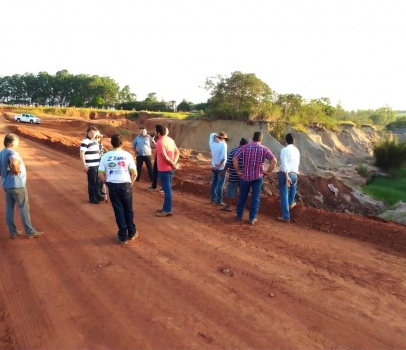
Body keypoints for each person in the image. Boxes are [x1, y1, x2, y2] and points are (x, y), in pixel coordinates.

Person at [0, 133, 44, 239]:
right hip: (17, 184)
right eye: (17, 143)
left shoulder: (2, 152)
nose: (17, 145)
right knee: (24, 207)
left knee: (9, 208)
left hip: (6, 185)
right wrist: (16, 171)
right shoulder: (12, 152)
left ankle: (13, 232)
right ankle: (30, 231)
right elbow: (14, 161)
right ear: (12, 143)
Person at [98, 134, 138, 244]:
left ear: (111, 143)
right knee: (128, 210)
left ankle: (123, 236)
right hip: (126, 185)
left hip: (113, 185)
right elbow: (134, 173)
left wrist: (106, 183)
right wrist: (131, 184)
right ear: (122, 143)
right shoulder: (127, 155)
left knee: (119, 211)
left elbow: (100, 174)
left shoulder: (105, 156)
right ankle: (132, 232)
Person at [233, 131, 277, 225]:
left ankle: (239, 215)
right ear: (261, 139)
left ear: (253, 138)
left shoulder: (245, 147)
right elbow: (274, 161)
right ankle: (252, 218)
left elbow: (235, 158)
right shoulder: (264, 149)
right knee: (255, 198)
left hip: (245, 176)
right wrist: (268, 172)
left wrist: (238, 171)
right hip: (258, 177)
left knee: (242, 195)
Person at [155, 125, 180, 217]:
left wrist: (173, 164)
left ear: (158, 133)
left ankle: (167, 210)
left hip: (163, 169)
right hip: (170, 169)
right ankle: (165, 207)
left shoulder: (160, 142)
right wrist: (174, 163)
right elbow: (177, 152)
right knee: (167, 188)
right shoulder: (170, 140)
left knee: (167, 189)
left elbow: (164, 157)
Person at [219, 137, 248, 212]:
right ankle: (240, 208)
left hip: (234, 175)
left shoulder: (234, 151)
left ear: (239, 143)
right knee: (243, 192)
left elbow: (228, 163)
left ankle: (228, 206)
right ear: (246, 144)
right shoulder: (247, 152)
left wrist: (223, 172)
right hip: (244, 176)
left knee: (230, 190)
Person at [277, 133, 300, 222]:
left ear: (286, 141)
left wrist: (287, 177)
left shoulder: (284, 150)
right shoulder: (297, 150)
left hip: (285, 175)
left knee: (284, 195)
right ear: (294, 141)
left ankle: (286, 216)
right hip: (294, 175)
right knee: (293, 187)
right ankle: (290, 203)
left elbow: (284, 164)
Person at [80, 125, 104, 204]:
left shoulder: (94, 141)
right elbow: (82, 153)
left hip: (97, 164)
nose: (93, 135)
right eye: (91, 133)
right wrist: (84, 165)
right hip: (91, 165)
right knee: (92, 182)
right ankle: (92, 198)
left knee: (98, 181)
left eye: (94, 133)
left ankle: (97, 194)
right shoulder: (85, 142)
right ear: (88, 132)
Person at [209, 131, 228, 205]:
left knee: (214, 183)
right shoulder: (224, 144)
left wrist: (215, 136)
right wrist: (219, 165)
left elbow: (211, 134)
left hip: (213, 167)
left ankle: (212, 199)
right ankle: (219, 200)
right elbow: (223, 157)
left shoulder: (212, 144)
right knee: (220, 185)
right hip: (221, 168)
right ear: (223, 138)